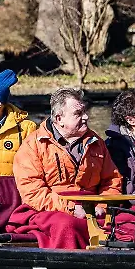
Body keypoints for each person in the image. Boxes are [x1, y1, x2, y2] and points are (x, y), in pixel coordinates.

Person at [12, 87, 124, 249]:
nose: (86, 117)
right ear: (59, 119)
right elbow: (33, 193)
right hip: (49, 211)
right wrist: (71, 208)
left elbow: (112, 180)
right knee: (67, 226)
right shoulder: (32, 145)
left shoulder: (96, 142)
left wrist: (102, 206)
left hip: (94, 209)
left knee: (127, 222)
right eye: (78, 113)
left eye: (84, 112)